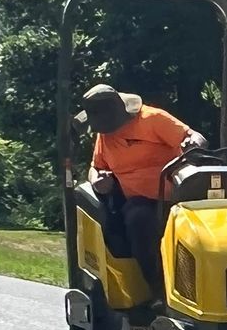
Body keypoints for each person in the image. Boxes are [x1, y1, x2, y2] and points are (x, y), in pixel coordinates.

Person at [82, 83, 203, 297]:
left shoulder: (152, 119)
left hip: (178, 199)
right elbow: (96, 167)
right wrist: (97, 181)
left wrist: (194, 144)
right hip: (139, 201)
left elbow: (193, 137)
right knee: (138, 218)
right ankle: (158, 289)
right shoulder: (105, 135)